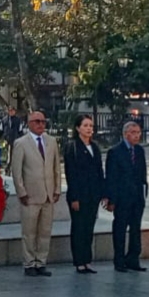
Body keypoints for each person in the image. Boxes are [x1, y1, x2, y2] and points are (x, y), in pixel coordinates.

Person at [11, 110, 61, 277]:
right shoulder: (21, 143)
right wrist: (21, 192)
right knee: (29, 232)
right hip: (30, 196)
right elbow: (16, 171)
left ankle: (41, 262)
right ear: (29, 123)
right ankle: (29, 263)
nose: (41, 124)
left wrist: (57, 189)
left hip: (48, 195)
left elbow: (56, 168)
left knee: (45, 231)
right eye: (37, 121)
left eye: (43, 121)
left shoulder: (51, 142)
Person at [63, 114, 107, 274]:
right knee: (79, 228)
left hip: (93, 194)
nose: (89, 129)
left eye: (91, 126)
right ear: (77, 128)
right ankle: (79, 261)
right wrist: (74, 197)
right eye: (85, 125)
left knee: (89, 228)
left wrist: (103, 192)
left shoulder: (94, 147)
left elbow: (99, 171)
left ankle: (87, 260)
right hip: (79, 195)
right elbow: (71, 173)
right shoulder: (72, 146)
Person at [105, 121, 148, 273]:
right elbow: (111, 177)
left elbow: (142, 174)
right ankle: (119, 260)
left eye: (138, 132)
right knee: (120, 229)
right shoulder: (115, 152)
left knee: (136, 229)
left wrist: (144, 193)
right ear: (126, 134)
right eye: (134, 132)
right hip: (122, 198)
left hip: (137, 197)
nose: (137, 136)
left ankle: (133, 259)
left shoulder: (140, 151)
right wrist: (111, 199)